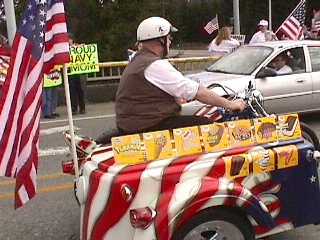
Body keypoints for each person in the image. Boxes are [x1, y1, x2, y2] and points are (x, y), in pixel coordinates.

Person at [115, 17, 246, 135]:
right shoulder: (154, 64)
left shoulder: (138, 59)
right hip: (147, 126)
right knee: (207, 127)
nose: (170, 42)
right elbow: (198, 92)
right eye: (169, 38)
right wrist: (230, 104)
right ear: (161, 40)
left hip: (134, 123)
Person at [68, 37, 86, 115]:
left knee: (80, 91)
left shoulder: (76, 46)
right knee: (72, 92)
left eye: (70, 39)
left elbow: (84, 48)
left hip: (78, 73)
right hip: (71, 73)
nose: (69, 40)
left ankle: (82, 108)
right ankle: (74, 108)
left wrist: (81, 46)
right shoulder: (66, 48)